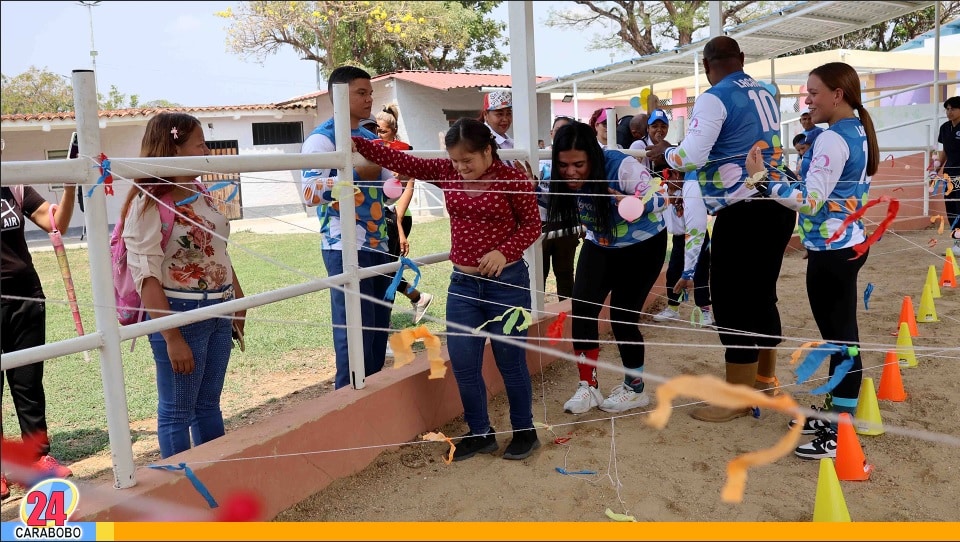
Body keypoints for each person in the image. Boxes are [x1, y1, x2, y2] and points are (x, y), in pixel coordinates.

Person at [352, 118, 543, 461]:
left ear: (488, 150)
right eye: (455, 161)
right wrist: (357, 142)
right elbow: (404, 162)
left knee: (510, 362)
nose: (460, 167)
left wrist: (504, 252)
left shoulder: (512, 178)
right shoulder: (449, 172)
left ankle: (524, 430)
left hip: (508, 285)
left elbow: (532, 225)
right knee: (464, 362)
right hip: (463, 284)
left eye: (467, 160)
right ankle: (480, 432)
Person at [646, 36, 797, 421]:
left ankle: (738, 398)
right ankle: (764, 379)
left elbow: (692, 155)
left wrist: (666, 152)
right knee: (762, 293)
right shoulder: (763, 91)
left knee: (731, 301)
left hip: (743, 207)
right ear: (741, 59)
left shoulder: (715, 96)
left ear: (706, 64)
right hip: (775, 201)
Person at [745, 61, 879, 459]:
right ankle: (839, 410)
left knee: (842, 339)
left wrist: (762, 180)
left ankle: (842, 430)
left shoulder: (834, 139)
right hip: (844, 244)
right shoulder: (853, 129)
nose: (807, 99)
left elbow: (811, 199)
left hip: (834, 251)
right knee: (840, 335)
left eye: (813, 92)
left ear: (838, 94)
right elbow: (821, 187)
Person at [119, 112, 246, 458]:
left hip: (219, 307)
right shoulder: (148, 205)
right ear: (173, 150)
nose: (206, 150)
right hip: (181, 313)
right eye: (199, 144)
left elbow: (218, 250)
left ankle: (213, 472)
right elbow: (146, 275)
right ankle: (180, 487)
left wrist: (237, 299)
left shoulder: (200, 192)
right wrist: (171, 336)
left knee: (208, 403)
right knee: (177, 410)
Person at [548, 121, 667, 415]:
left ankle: (635, 389)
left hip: (643, 245)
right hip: (599, 243)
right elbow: (540, 205)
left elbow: (661, 197)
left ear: (593, 156)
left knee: (622, 317)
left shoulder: (622, 166)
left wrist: (633, 202)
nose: (571, 172)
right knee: (583, 311)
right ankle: (588, 387)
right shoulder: (558, 177)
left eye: (579, 164)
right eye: (564, 165)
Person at [301, 66, 393, 390]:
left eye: (370, 93)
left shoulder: (369, 137)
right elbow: (309, 193)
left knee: (378, 328)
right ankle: (348, 396)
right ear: (337, 95)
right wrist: (352, 176)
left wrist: (400, 178)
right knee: (353, 329)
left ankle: (375, 395)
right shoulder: (321, 140)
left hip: (379, 242)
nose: (370, 99)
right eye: (361, 93)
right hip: (342, 245)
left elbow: (388, 188)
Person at [1, 146, 75, 498]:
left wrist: (70, 187)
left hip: (25, 296)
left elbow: (54, 221)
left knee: (28, 382)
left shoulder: (13, 184)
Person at [374, 103, 434, 323]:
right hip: (381, 217)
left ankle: (385, 324)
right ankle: (418, 298)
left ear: (394, 131)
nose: (378, 135)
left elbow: (409, 185)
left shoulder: (402, 151)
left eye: (383, 131)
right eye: (375, 130)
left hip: (397, 217)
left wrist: (399, 228)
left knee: (384, 271)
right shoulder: (374, 150)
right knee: (381, 270)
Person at [653, 169, 714, 327]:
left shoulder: (692, 188)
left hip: (697, 235)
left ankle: (705, 311)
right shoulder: (664, 190)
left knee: (700, 272)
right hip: (679, 238)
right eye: (666, 177)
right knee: (673, 271)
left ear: (678, 175)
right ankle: (673, 307)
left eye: (671, 176)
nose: (668, 180)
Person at [536, 115, 579, 301]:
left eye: (566, 130)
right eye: (558, 130)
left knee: (565, 273)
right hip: (541, 223)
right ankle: (536, 317)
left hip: (566, 222)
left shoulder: (577, 161)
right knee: (539, 274)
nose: (561, 134)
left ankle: (568, 319)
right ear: (551, 133)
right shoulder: (539, 157)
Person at [937, 96, 960, 235]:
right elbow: (945, 150)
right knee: (950, 205)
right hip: (949, 174)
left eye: (953, 109)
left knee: (959, 204)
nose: (949, 112)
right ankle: (957, 240)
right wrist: (936, 168)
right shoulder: (944, 128)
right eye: (947, 109)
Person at [798, 111, 824, 180]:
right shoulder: (801, 135)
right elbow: (800, 155)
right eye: (804, 119)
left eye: (809, 118)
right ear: (800, 121)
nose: (807, 121)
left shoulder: (820, 132)